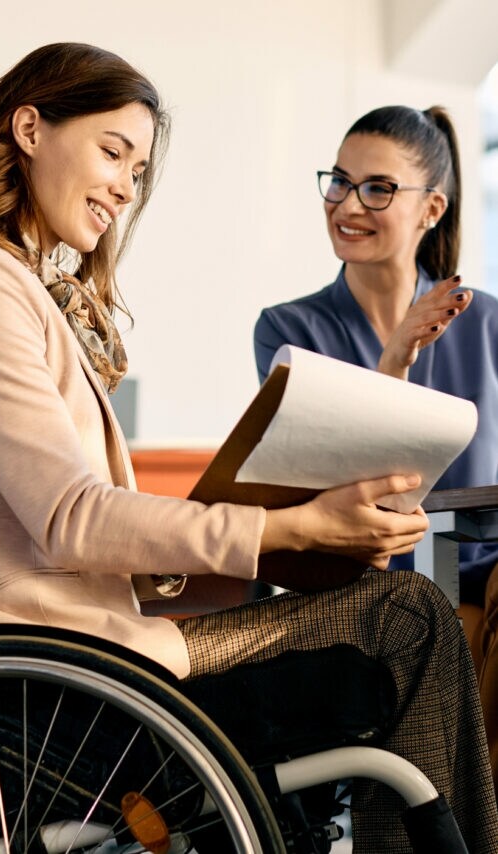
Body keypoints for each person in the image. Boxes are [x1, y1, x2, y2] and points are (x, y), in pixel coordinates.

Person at [0, 48, 496, 852]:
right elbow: (71, 517)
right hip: (71, 678)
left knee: (402, 612)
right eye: (112, 152)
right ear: (29, 129)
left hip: (97, 646)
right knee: (408, 618)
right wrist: (294, 530)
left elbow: (62, 526)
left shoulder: (9, 283)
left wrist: (261, 528)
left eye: (137, 172)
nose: (123, 188)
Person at [254, 104, 498, 789]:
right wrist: (393, 362)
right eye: (339, 180)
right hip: (365, 588)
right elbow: (324, 498)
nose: (347, 203)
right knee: (453, 627)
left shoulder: (489, 324)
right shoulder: (287, 332)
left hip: (481, 579)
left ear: (432, 209)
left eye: (378, 188)